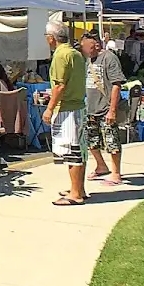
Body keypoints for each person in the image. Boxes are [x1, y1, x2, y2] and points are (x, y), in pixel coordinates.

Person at [43, 21, 87, 206]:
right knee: (79, 150)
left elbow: (60, 85)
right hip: (77, 106)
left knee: (72, 152)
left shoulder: (61, 55)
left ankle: (75, 194)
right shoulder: (75, 53)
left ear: (51, 38)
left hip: (67, 108)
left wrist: (49, 108)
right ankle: (78, 188)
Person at [80, 32, 126, 186]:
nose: (84, 49)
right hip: (90, 108)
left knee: (111, 141)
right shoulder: (87, 60)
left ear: (97, 45)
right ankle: (101, 166)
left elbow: (116, 84)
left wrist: (112, 110)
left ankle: (116, 173)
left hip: (105, 107)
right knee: (90, 140)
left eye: (87, 46)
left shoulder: (109, 58)